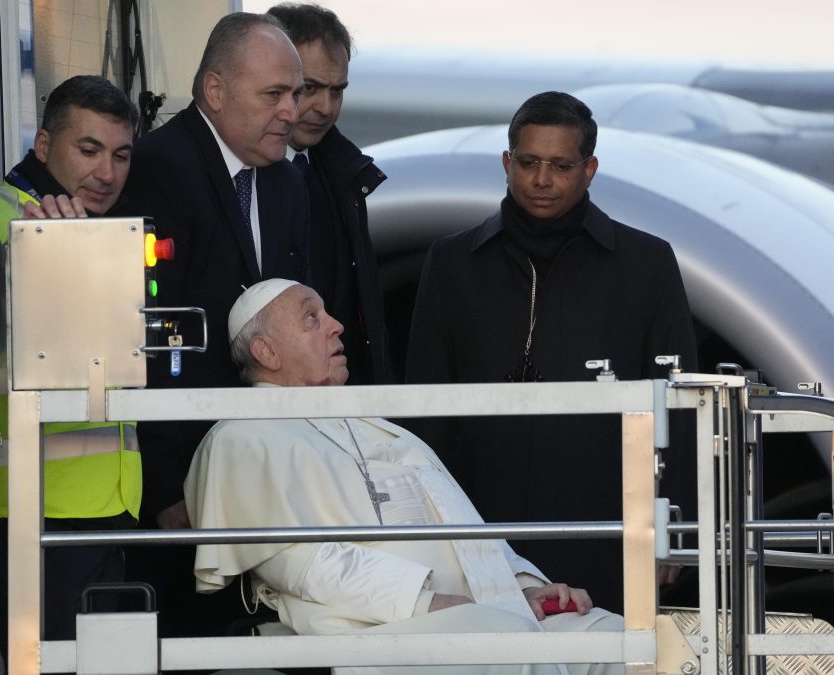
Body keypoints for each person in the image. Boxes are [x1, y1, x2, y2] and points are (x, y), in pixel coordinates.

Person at [185, 279, 623, 675]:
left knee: (620, 642)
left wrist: (522, 588)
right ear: (266, 352)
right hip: (370, 626)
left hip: (475, 610)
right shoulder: (243, 436)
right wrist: (423, 600)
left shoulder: (374, 423)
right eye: (311, 318)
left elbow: (459, 525)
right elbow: (299, 564)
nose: (337, 326)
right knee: (510, 646)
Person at [404, 92, 698, 613]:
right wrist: (424, 526)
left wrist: (671, 521)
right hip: (479, 527)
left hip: (608, 525)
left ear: (589, 170)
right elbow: (426, 403)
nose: (542, 180)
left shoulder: (647, 264)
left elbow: (679, 401)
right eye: (528, 163)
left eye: (560, 166)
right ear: (506, 162)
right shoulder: (451, 262)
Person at [121, 11, 309, 635]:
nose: (291, 110)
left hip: (262, 471)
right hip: (184, 485)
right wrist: (173, 488)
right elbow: (152, 342)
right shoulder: (157, 169)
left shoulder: (286, 179)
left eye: (297, 92)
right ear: (216, 91)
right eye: (274, 94)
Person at [0, 74, 141, 648]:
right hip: (40, 509)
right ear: (43, 146)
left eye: (121, 155)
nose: (107, 173)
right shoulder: (14, 222)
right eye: (89, 150)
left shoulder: (75, 224)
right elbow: (76, 351)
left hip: (90, 505)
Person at [266, 3, 393, 385]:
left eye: (337, 91)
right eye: (310, 89)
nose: (325, 107)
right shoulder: (241, 178)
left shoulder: (344, 175)